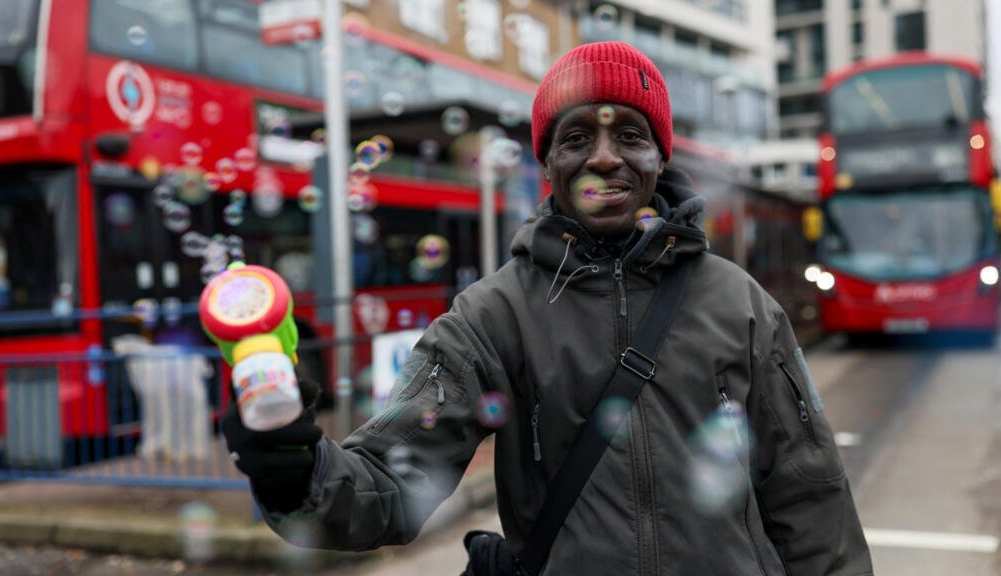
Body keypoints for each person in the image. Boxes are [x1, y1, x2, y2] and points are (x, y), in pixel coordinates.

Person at [221, 41, 873, 575]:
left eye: (631, 134)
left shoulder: (741, 303)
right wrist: (293, 465)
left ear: (659, 155)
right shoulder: (492, 315)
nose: (605, 156)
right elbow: (386, 490)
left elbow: (810, 497)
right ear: (549, 163)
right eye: (577, 135)